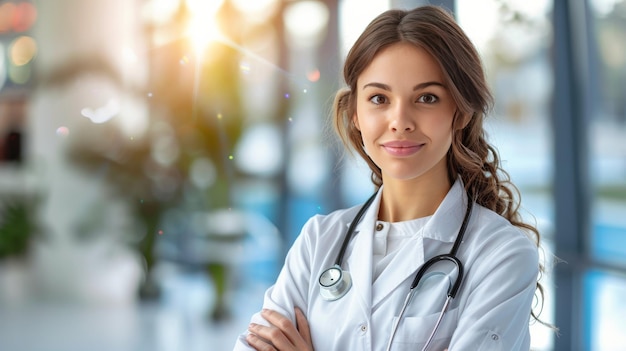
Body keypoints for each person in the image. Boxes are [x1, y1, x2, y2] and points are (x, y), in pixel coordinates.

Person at [234, 5, 548, 351]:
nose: (400, 121)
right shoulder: (318, 242)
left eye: (427, 98)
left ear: (460, 113)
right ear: (355, 114)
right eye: (379, 98)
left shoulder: (501, 255)